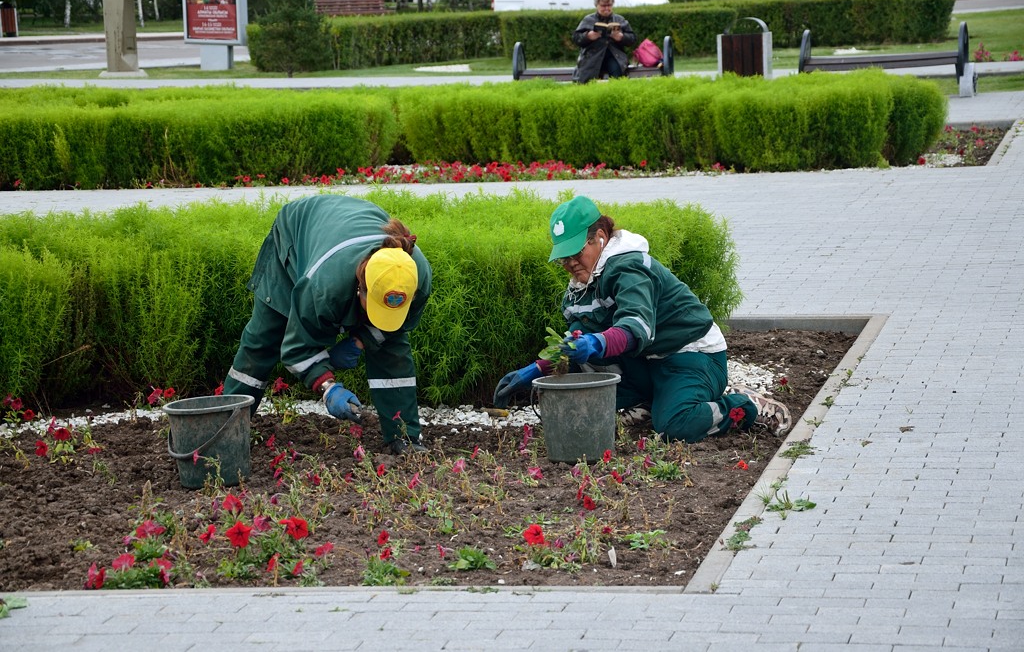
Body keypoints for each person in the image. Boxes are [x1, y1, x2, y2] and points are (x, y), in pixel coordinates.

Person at [493, 195, 791, 443]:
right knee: (586, 364)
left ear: (600, 237)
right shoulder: (579, 289)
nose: (569, 263)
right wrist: (536, 369)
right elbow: (577, 341)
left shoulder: (629, 268)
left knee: (675, 425)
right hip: (650, 361)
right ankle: (651, 400)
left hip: (692, 356)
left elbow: (637, 328)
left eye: (576, 252)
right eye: (563, 257)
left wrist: (596, 342)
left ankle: (745, 405)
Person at [222, 194, 432, 455]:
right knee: (266, 338)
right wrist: (328, 387)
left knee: (392, 350)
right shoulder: (322, 286)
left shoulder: (417, 275)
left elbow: (394, 329)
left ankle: (404, 438)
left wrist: (359, 341)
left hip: (343, 227)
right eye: (374, 307)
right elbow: (297, 349)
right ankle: (225, 428)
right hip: (298, 231)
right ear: (360, 289)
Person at [572, 0, 637, 84]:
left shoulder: (619, 20)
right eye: (603, 6)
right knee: (588, 78)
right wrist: (588, 36)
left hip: (615, 56)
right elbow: (576, 38)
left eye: (609, 5)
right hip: (592, 57)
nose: (607, 8)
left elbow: (633, 39)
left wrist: (621, 37)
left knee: (617, 74)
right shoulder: (588, 20)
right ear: (596, 5)